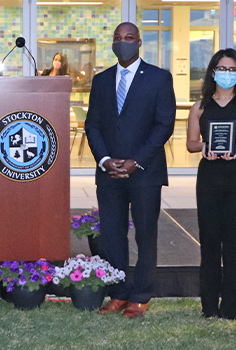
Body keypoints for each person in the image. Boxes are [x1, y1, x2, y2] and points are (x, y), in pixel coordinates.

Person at [86, 22, 175, 318]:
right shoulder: (100, 80)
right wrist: (104, 159)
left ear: (139, 42)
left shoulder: (159, 79)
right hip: (108, 172)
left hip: (145, 172)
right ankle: (120, 293)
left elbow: (164, 124)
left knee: (145, 234)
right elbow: (93, 125)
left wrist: (136, 161)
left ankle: (141, 294)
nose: (122, 42)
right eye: (117, 38)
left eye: (128, 38)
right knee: (112, 235)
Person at [186, 48, 236, 320]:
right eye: (223, 68)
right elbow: (191, 144)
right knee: (209, 241)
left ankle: (230, 307)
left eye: (233, 70)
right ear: (212, 71)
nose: (227, 74)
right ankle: (208, 307)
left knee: (233, 242)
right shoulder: (200, 107)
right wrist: (205, 146)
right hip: (209, 176)